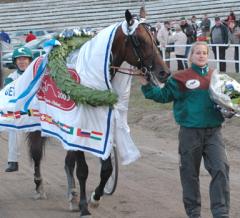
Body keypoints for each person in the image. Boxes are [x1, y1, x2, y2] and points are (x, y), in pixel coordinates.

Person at [138, 41, 230, 218]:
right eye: (197, 52)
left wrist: (234, 104)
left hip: (214, 133)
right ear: (191, 56)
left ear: (207, 55)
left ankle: (221, 212)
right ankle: (194, 212)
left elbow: (233, 99)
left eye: (204, 52)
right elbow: (163, 95)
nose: (201, 55)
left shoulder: (217, 77)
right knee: (190, 174)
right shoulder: (180, 78)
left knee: (221, 169)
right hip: (190, 133)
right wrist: (146, 85)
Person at [4, 47, 33, 172]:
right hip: (21, 112)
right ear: (15, 62)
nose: (22, 62)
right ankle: (13, 161)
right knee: (13, 128)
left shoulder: (36, 74)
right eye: (19, 59)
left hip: (37, 111)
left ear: (29, 60)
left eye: (24, 59)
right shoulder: (11, 78)